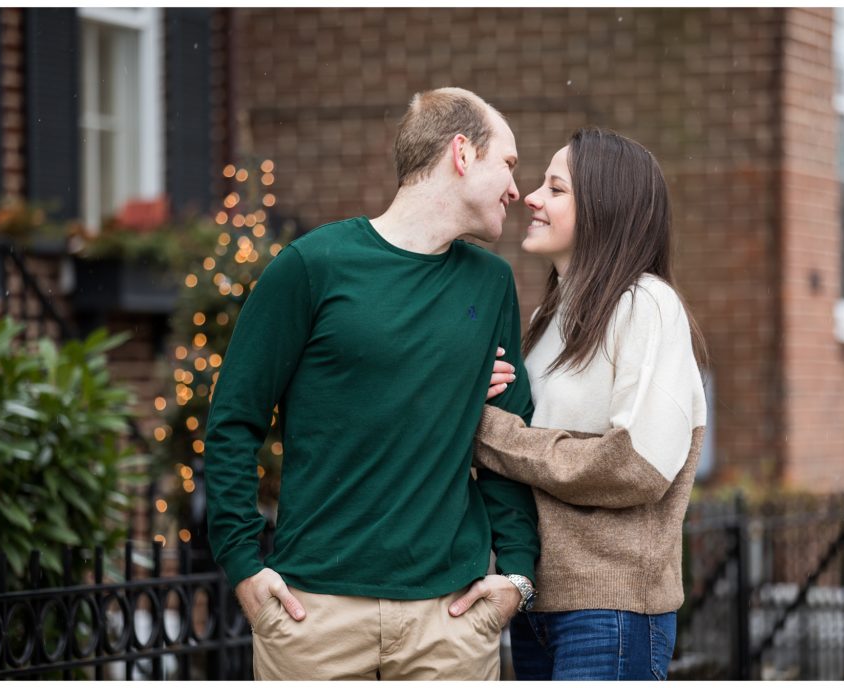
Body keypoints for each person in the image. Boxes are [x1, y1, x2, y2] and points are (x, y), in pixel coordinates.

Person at [204, 87, 539, 680]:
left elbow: (508, 439)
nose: (516, 190)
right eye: (507, 165)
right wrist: (242, 564)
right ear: (462, 154)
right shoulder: (314, 266)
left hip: (450, 622)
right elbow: (234, 419)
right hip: (315, 619)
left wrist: (516, 572)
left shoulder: (490, 285)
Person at [473, 127, 708, 681]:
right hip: (535, 602)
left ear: (604, 208)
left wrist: (486, 431)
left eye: (555, 189)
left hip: (612, 610)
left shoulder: (647, 305)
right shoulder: (544, 321)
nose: (530, 197)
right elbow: (514, 461)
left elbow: (636, 465)